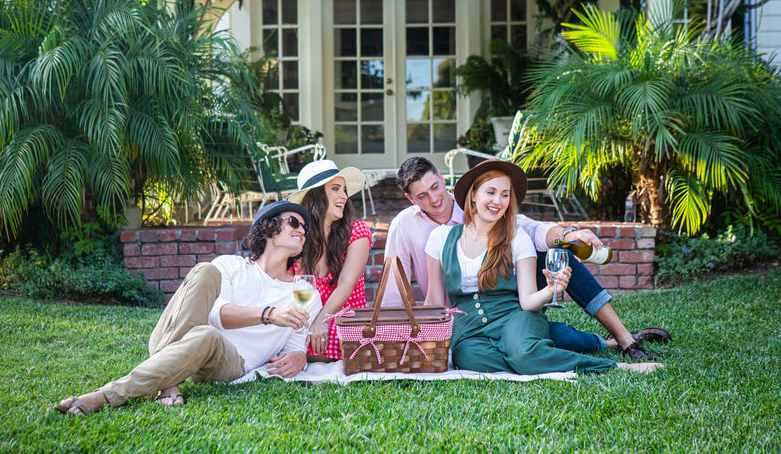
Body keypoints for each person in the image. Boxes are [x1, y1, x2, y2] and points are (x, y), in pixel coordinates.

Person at [382, 157, 670, 360]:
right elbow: (394, 287)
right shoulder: (405, 226)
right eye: (422, 195)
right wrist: (394, 336)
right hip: (461, 318)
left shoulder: (483, 203)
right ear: (410, 199)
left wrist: (567, 234)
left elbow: (533, 229)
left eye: (435, 187)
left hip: (509, 304)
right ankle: (603, 343)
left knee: (559, 256)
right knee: (554, 340)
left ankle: (624, 338)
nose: (433, 198)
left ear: (442, 179)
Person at [53, 201, 321, 416]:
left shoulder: (305, 291)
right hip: (187, 337)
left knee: (207, 336)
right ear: (267, 228)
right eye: (294, 222)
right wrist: (270, 314)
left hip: (229, 361)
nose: (302, 230)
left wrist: (299, 357)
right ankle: (168, 382)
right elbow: (216, 316)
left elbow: (296, 341)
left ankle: (103, 396)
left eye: (305, 229)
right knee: (204, 272)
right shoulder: (230, 266)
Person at [288, 159, 372, 361]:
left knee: (339, 337)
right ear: (315, 196)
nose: (344, 196)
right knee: (284, 332)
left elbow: (346, 283)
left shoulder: (357, 231)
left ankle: (301, 353)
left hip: (343, 319)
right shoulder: (296, 237)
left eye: (344, 190)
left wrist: (322, 321)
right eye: (336, 189)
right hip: (307, 320)